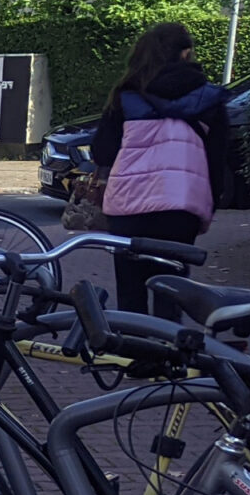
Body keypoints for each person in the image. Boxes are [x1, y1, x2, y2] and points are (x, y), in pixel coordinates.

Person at [93, 20, 225, 315]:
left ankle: (134, 357)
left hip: (128, 207)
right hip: (182, 207)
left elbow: (102, 151)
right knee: (172, 292)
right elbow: (218, 160)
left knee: (130, 294)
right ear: (185, 53)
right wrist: (209, 206)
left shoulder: (125, 95)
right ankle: (168, 357)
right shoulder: (209, 99)